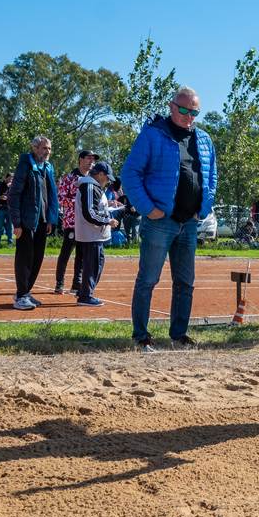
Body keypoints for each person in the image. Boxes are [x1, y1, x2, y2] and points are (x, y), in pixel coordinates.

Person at [122, 86, 217, 352]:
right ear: (171, 106)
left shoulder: (204, 139)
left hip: (189, 223)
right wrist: (147, 208)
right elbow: (130, 173)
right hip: (159, 222)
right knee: (148, 280)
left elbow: (211, 178)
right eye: (184, 110)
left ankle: (179, 334)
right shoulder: (153, 135)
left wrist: (204, 207)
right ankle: (141, 336)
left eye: (194, 111)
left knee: (185, 283)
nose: (189, 116)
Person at [9, 135, 59, 310]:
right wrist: (17, 222)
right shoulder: (26, 165)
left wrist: (50, 219)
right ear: (35, 148)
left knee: (37, 258)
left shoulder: (47, 168)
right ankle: (21, 296)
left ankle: (26, 292)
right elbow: (14, 194)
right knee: (25, 258)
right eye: (44, 148)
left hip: (43, 221)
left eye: (49, 148)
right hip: (26, 220)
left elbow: (51, 195)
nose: (47, 152)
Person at [74, 161, 119, 307]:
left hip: (94, 234)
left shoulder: (93, 186)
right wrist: (107, 220)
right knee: (92, 265)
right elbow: (90, 212)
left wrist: (107, 209)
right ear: (100, 174)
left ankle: (85, 292)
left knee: (95, 263)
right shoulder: (90, 186)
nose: (108, 181)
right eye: (107, 178)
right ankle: (86, 295)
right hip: (91, 234)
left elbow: (94, 208)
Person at [54, 150, 97, 294]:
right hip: (72, 222)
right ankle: (59, 283)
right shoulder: (70, 178)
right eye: (88, 158)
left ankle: (76, 284)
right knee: (66, 252)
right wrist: (79, 202)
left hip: (87, 222)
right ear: (80, 159)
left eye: (93, 159)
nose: (91, 161)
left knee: (82, 255)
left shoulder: (92, 179)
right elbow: (60, 198)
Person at [0, 171, 14, 246]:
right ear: (5, 178)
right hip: (0, 208)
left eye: (12, 179)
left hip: (10, 209)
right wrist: (0, 197)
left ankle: (10, 242)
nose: (10, 180)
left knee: (10, 226)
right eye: (9, 178)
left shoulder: (14, 186)